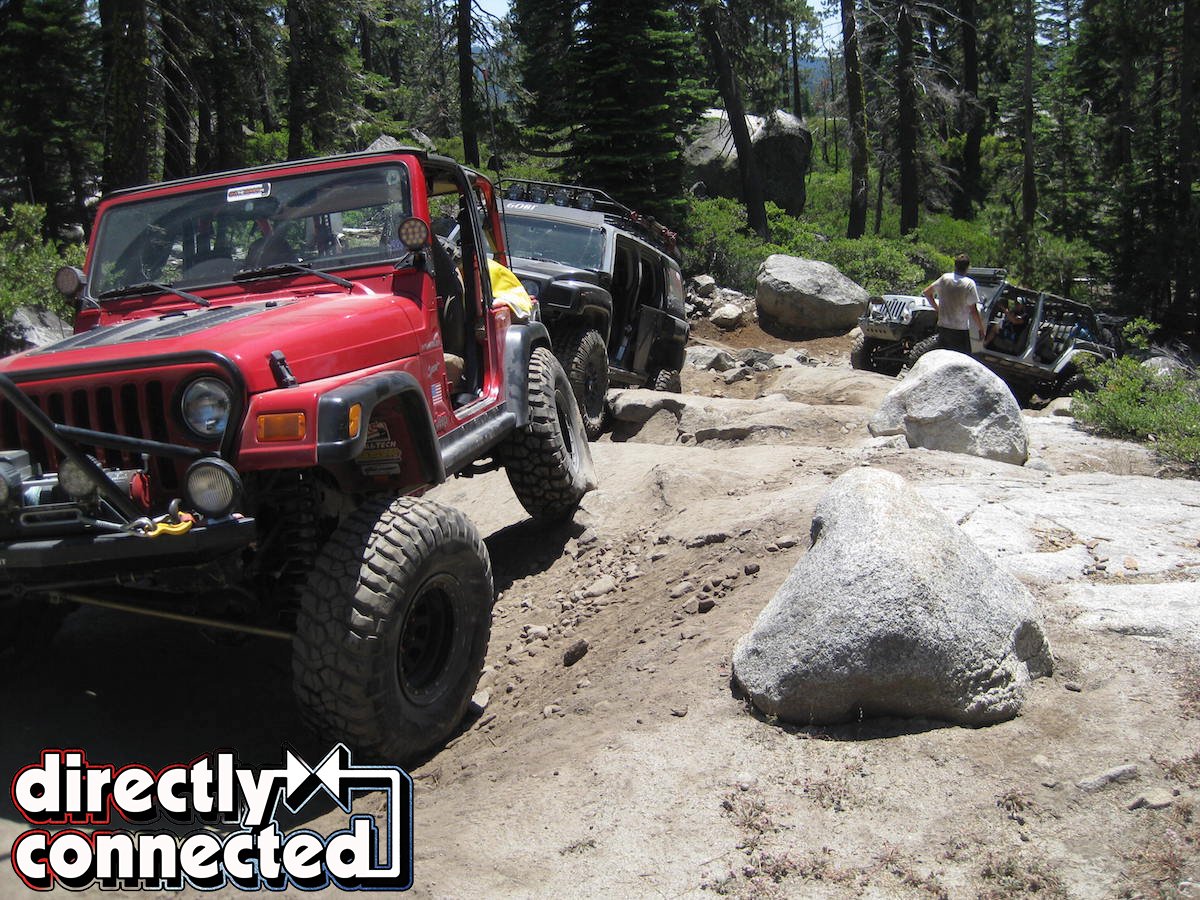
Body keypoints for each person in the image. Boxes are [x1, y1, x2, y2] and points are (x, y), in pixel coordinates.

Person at [923, 253, 985, 355]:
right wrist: (981, 328)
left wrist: (938, 309)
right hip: (959, 330)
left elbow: (927, 292)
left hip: (943, 327)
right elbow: (973, 310)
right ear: (967, 268)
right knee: (961, 359)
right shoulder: (969, 284)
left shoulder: (945, 278)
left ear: (955, 265)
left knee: (942, 356)